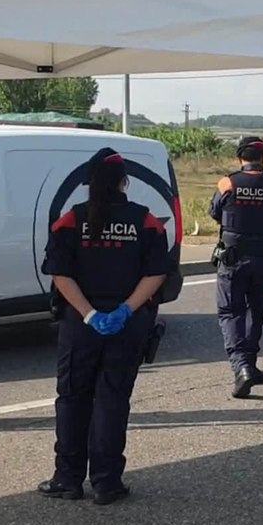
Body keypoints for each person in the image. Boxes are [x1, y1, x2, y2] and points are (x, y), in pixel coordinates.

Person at [37, 147, 168, 505]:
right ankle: (107, 483)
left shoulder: (70, 220)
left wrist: (88, 314)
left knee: (72, 399)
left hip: (80, 325)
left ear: (89, 183)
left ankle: (67, 479)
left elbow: (59, 274)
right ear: (124, 181)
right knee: (112, 400)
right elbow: (157, 273)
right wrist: (125, 310)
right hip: (127, 326)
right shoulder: (146, 221)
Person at [210, 135, 263, 399]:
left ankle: (242, 367)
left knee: (231, 312)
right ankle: (250, 366)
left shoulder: (227, 183)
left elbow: (214, 212)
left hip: (233, 259)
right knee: (256, 311)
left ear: (239, 157)